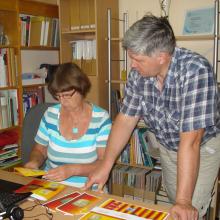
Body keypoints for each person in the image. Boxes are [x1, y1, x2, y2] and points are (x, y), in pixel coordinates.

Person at [84, 14, 220, 220]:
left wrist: (184, 202)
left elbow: (191, 142)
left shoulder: (195, 71)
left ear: (162, 56)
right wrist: (106, 165)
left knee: (190, 208)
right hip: (168, 147)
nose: (132, 65)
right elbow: (126, 119)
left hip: (201, 147)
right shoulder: (139, 75)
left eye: (137, 59)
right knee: (175, 203)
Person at [24, 62, 112, 188]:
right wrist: (34, 162)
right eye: (58, 96)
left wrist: (73, 170)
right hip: (51, 188)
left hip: (87, 188)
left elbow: (104, 162)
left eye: (66, 95)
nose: (62, 101)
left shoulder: (101, 119)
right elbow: (39, 150)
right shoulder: (50, 115)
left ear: (81, 88)